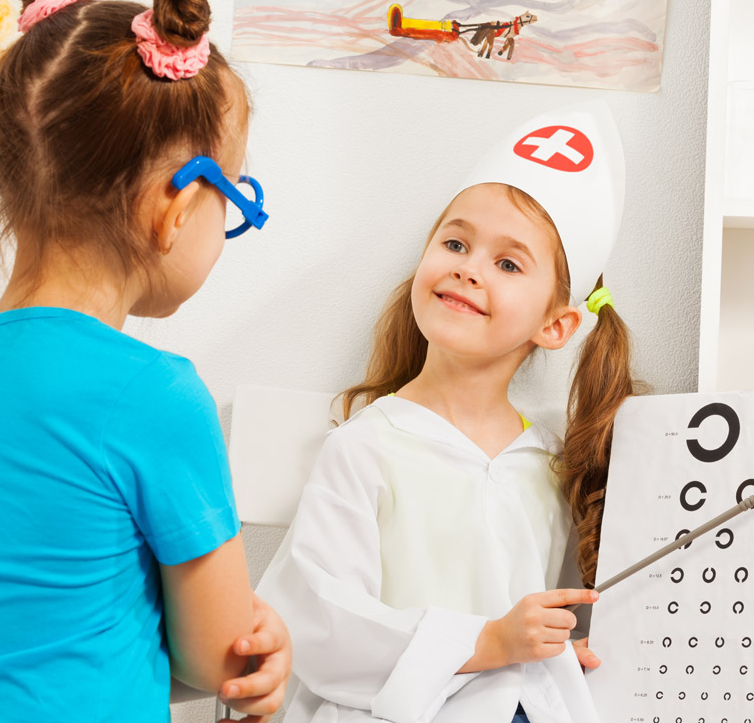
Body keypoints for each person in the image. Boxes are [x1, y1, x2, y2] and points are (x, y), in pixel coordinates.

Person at [0, 0, 288, 722]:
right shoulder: (156, 395)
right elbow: (220, 657)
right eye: (234, 200)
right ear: (175, 209)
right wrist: (260, 640)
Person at [257, 103, 637, 722]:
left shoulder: (548, 462)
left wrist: (562, 652)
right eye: (456, 242)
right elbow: (319, 621)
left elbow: (551, 617)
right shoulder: (366, 448)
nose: (468, 266)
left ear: (557, 324)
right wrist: (484, 643)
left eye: (508, 263)